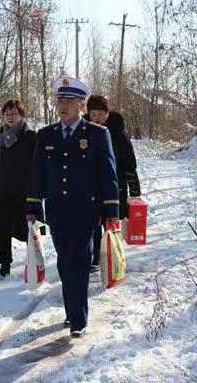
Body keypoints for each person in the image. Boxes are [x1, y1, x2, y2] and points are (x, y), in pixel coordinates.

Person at [26, 77, 119, 338]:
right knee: (65, 262)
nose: (62, 106)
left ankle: (78, 318)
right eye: (59, 101)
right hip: (57, 211)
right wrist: (33, 205)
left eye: (68, 102)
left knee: (78, 261)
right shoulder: (46, 135)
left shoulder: (98, 135)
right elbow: (37, 174)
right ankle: (72, 310)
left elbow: (108, 175)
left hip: (85, 211)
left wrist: (111, 213)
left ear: (81, 105)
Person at [84, 95, 141, 273]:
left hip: (115, 184)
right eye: (93, 114)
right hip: (91, 185)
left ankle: (112, 255)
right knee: (92, 222)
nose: (98, 118)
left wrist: (134, 187)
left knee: (111, 221)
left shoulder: (117, 131)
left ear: (107, 113)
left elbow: (129, 159)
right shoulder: (85, 131)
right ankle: (94, 258)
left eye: (101, 114)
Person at [0, 100, 37, 279]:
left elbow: (39, 164)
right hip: (2, 190)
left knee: (27, 230)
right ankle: (5, 265)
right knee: (2, 229)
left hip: (24, 191)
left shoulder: (30, 137)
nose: (10, 117)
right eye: (7, 114)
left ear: (21, 115)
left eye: (14, 113)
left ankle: (34, 261)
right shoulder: (0, 137)